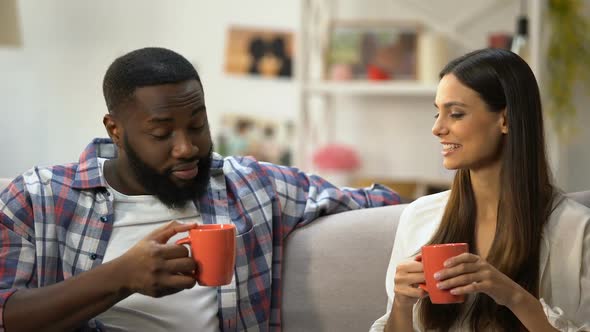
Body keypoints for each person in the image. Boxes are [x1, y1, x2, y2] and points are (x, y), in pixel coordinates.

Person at [0, 47, 401, 331]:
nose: (187, 147)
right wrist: (120, 277)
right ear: (115, 130)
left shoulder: (249, 186)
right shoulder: (40, 199)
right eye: (161, 132)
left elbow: (381, 205)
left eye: (197, 125)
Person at [370, 48, 590, 331]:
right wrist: (401, 303)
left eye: (456, 114)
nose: (437, 128)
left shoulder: (575, 230)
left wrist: (512, 296)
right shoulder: (420, 217)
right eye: (438, 113)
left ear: (506, 120)